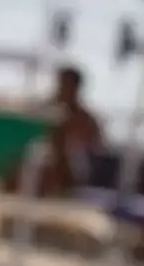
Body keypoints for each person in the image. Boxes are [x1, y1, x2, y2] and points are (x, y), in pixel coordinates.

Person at [34, 64, 104, 196]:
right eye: (62, 84)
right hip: (44, 161)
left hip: (70, 169)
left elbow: (94, 145)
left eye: (67, 85)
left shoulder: (84, 118)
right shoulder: (45, 109)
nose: (63, 88)